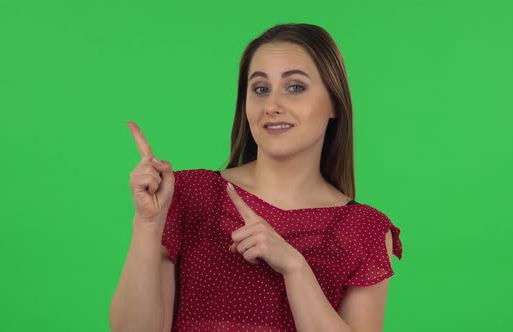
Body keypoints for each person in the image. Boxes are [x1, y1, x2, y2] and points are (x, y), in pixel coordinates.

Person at [109, 23, 403, 332]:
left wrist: (295, 268)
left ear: (334, 102)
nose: (272, 106)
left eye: (295, 87)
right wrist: (147, 225)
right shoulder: (188, 194)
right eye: (260, 89)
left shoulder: (365, 230)